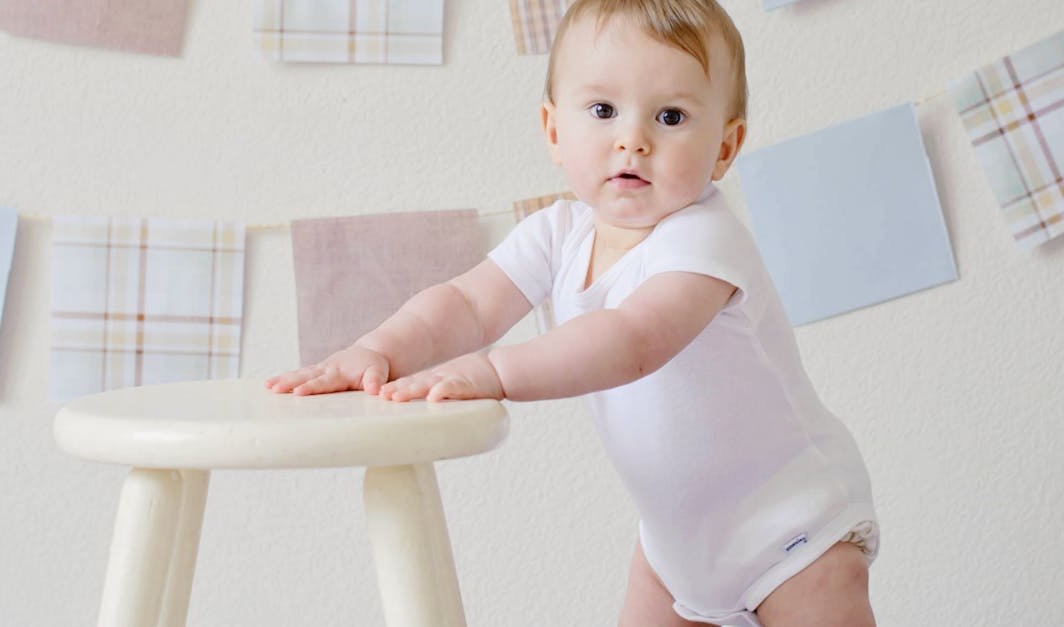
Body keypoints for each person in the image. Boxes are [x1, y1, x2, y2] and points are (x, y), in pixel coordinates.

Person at [266, 1, 879, 624]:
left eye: (670, 116)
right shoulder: (557, 234)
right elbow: (467, 303)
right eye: (603, 110)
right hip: (676, 544)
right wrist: (379, 349)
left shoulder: (703, 241)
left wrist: (495, 373)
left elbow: (633, 339)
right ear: (554, 130)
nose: (632, 139)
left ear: (726, 146)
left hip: (792, 526)